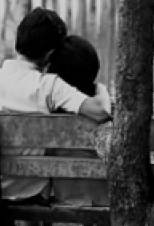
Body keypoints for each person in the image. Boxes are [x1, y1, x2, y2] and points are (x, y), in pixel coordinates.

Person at [0, 8, 110, 202]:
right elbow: (101, 112)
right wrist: (101, 89)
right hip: (27, 191)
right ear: (50, 54)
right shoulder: (49, 86)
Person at [46, 34, 112, 206]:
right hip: (105, 197)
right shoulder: (104, 111)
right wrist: (101, 90)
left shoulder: (48, 113)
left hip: (64, 195)